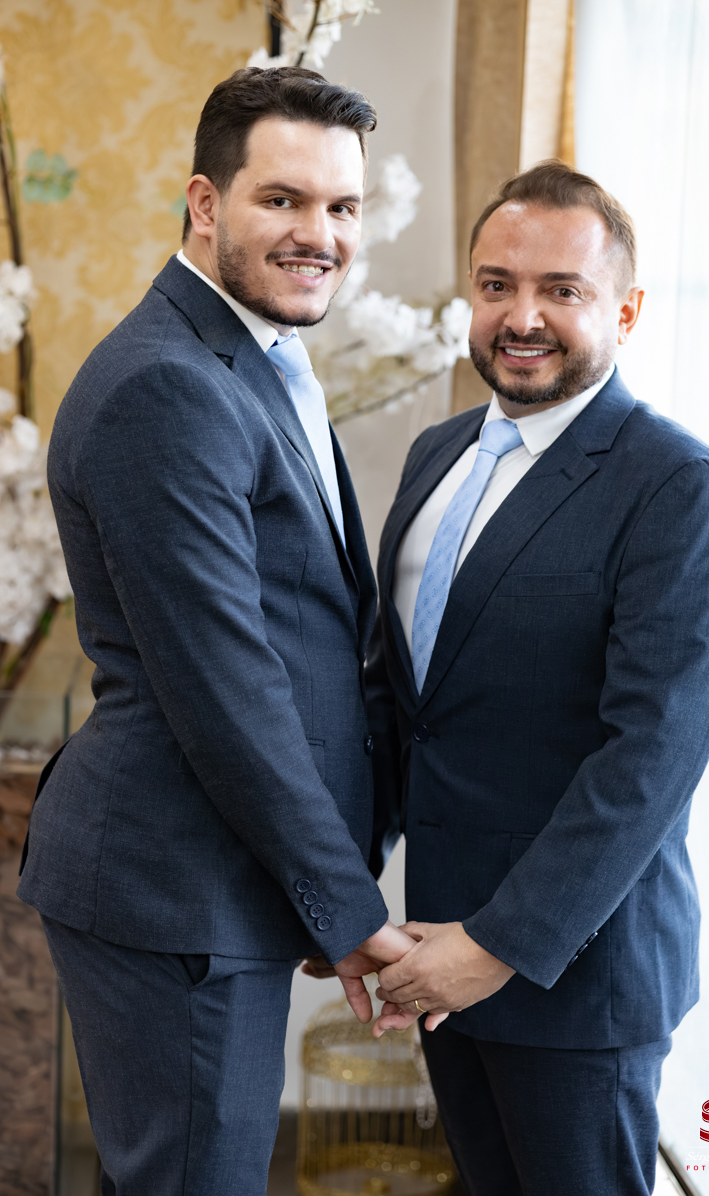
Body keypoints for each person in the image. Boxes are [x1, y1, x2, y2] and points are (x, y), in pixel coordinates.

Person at [17, 66, 413, 1195]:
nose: (319, 235)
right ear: (204, 204)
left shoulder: (256, 357)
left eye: (342, 207)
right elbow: (224, 686)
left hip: (214, 879)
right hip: (175, 883)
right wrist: (346, 909)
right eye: (282, 200)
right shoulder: (168, 385)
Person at [366, 161, 709, 1195]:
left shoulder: (682, 489)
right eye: (496, 284)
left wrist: (495, 947)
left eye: (562, 290)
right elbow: (402, 706)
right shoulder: (435, 456)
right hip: (432, 949)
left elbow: (649, 762)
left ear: (624, 311)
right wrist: (345, 898)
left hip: (578, 978)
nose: (522, 316)